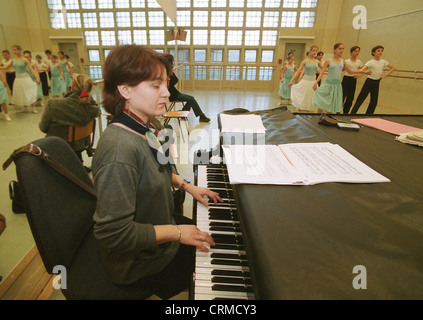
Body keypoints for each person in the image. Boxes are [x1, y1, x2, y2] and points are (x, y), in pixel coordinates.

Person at [92, 44, 222, 299]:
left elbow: (157, 169)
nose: (166, 93)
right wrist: (176, 233)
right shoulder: (119, 151)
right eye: (155, 86)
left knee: (213, 239)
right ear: (125, 89)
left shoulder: (146, 125)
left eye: (165, 84)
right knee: (218, 264)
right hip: (141, 263)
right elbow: (113, 234)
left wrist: (187, 185)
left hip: (161, 231)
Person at [39, 74, 100, 162]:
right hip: (81, 145)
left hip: (60, 146)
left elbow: (43, 128)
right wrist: (89, 98)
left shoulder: (53, 104)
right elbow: (98, 110)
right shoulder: (91, 108)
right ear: (89, 90)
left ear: (72, 87)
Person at [313, 43, 371, 114]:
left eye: (343, 49)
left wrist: (362, 71)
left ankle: (327, 119)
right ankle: (317, 117)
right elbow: (322, 72)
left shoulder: (342, 61)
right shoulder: (328, 61)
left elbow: (350, 71)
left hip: (337, 85)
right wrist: (316, 82)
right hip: (329, 84)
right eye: (339, 49)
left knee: (332, 104)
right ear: (334, 50)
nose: (341, 50)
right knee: (323, 102)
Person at [350, 45, 397, 114]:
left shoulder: (383, 61)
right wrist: (360, 74)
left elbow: (393, 68)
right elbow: (363, 69)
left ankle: (368, 115)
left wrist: (384, 75)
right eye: (378, 51)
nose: (380, 52)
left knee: (374, 101)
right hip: (369, 81)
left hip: (377, 82)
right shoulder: (370, 62)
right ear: (373, 53)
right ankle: (352, 113)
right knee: (361, 99)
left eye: (381, 51)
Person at [0, 45, 40, 113]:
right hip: (18, 79)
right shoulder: (13, 60)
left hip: (25, 78)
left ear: (19, 50)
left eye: (15, 50)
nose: (14, 51)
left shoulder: (25, 60)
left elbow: (31, 69)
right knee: (21, 93)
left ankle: (33, 108)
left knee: (28, 92)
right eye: (13, 50)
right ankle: (25, 107)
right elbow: (6, 67)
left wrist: (37, 78)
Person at [289, 45, 324, 112]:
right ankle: (300, 109)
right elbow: (298, 71)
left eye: (316, 51)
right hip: (305, 80)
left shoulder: (317, 62)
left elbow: (324, 69)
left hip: (313, 82)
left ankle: (308, 112)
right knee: (303, 96)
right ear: (310, 51)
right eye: (313, 50)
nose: (315, 52)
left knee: (311, 97)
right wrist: (291, 80)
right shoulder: (305, 61)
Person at [342, 46, 363, 114]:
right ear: (351, 52)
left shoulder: (359, 62)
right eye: (355, 51)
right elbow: (342, 70)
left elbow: (363, 69)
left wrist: (359, 75)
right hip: (346, 79)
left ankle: (346, 112)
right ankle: (338, 112)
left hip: (353, 80)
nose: (357, 53)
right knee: (342, 96)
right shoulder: (346, 61)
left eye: (358, 51)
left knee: (350, 97)